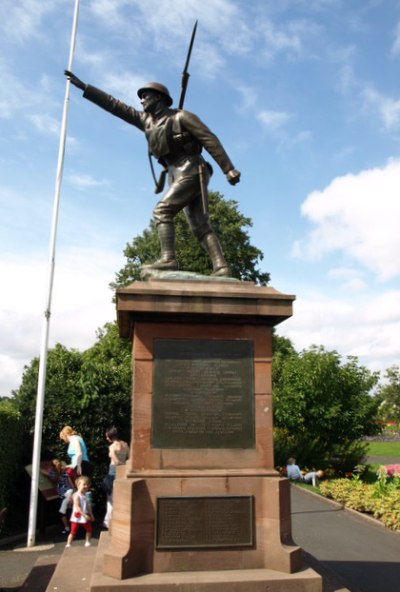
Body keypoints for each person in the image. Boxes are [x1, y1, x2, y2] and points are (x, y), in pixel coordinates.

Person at [64, 70, 241, 277]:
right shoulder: (146, 121)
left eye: (145, 96)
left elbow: (209, 139)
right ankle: (222, 267)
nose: (141, 100)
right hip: (175, 172)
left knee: (162, 211)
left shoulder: (182, 117)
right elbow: (115, 106)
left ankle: (168, 259)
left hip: (192, 168)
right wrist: (86, 88)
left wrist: (228, 168)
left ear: (159, 98)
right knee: (199, 225)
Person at [102, 426, 130, 529]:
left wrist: (118, 461)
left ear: (110, 435)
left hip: (113, 473)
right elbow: (129, 458)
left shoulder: (112, 447)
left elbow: (116, 462)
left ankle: (108, 522)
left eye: (107, 436)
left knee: (110, 499)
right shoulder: (125, 444)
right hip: (123, 473)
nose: (106, 438)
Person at [66, 476, 94, 547]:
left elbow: (88, 506)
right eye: (84, 484)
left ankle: (87, 542)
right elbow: (77, 506)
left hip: (84, 516)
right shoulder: (76, 495)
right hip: (77, 516)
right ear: (78, 485)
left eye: (87, 485)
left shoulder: (84, 495)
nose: (86, 486)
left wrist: (91, 515)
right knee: (73, 531)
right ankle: (68, 544)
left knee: (89, 529)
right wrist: (84, 515)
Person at [48, 459, 75, 534]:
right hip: (67, 492)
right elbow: (69, 481)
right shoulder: (62, 471)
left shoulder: (57, 472)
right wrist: (73, 490)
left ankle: (68, 528)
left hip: (64, 493)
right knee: (69, 509)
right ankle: (72, 527)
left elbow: (69, 481)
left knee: (63, 511)